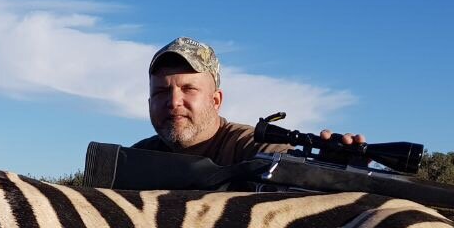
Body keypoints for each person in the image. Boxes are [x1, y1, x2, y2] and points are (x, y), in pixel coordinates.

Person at [134, 36, 364, 164]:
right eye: (161, 93)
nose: (174, 101)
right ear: (149, 104)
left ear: (216, 101)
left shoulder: (250, 146)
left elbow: (290, 165)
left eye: (188, 89)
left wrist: (330, 172)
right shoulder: (134, 160)